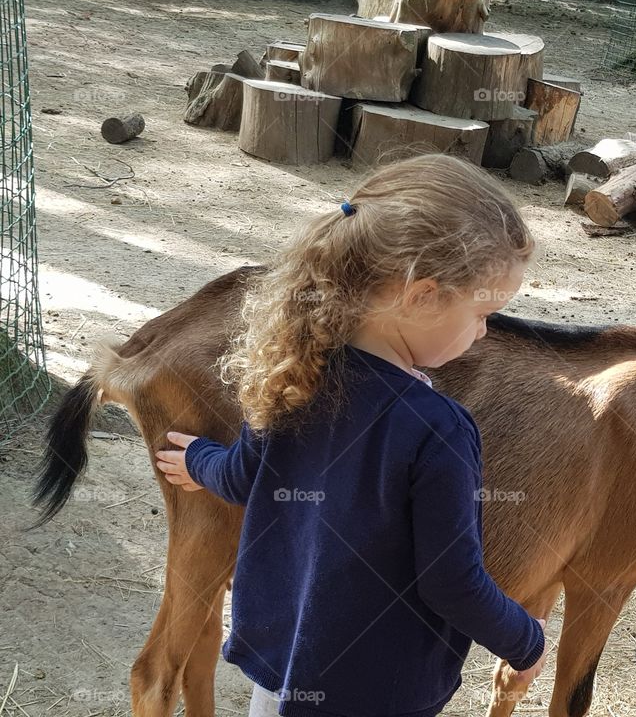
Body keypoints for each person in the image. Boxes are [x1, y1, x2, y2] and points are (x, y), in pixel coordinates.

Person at [153, 153, 547, 717]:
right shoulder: (440, 431)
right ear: (421, 296)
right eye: (484, 313)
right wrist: (524, 639)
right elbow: (449, 581)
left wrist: (198, 462)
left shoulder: (293, 375)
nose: (484, 333)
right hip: (378, 692)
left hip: (285, 670)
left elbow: (243, 477)